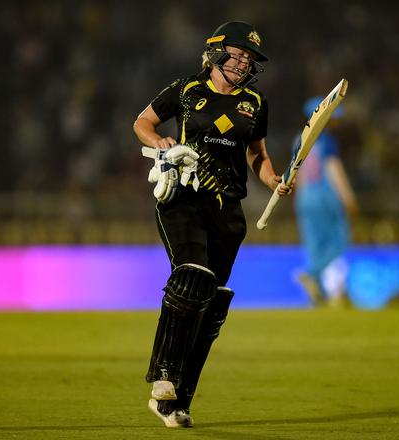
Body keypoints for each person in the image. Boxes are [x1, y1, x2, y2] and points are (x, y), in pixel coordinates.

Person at [133, 21, 292, 428]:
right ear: (216, 52)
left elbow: (256, 154)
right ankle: (163, 377)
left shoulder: (255, 102)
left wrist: (272, 178)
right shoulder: (187, 90)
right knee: (192, 275)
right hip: (183, 197)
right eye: (237, 55)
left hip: (228, 212)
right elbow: (143, 124)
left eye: (249, 59)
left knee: (212, 305)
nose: (243, 64)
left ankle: (178, 402)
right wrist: (162, 143)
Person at [294, 97, 357, 307]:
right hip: (324, 196)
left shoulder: (299, 140)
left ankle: (318, 294)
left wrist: (300, 201)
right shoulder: (327, 139)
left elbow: (297, 175)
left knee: (314, 246)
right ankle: (311, 274)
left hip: (304, 198)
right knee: (340, 240)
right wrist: (347, 196)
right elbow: (333, 169)